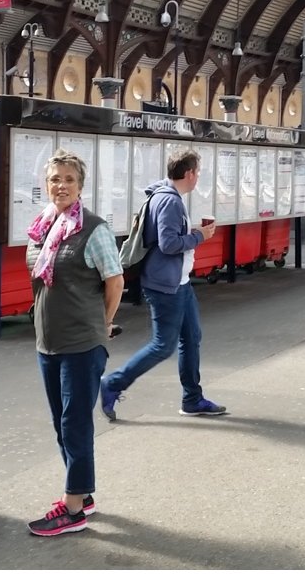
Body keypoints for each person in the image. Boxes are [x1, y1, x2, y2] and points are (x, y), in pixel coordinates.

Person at [25, 150, 123, 537]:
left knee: (75, 422)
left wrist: (103, 324)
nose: (60, 185)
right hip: (48, 341)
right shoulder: (44, 226)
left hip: (82, 342)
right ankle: (83, 494)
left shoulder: (93, 229)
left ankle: (72, 509)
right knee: (60, 421)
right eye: (54, 179)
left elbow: (114, 281)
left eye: (68, 179)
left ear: (80, 186)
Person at [102, 150, 226, 420]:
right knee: (163, 345)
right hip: (165, 286)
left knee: (191, 338)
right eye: (198, 173)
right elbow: (169, 244)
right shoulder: (169, 202)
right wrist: (198, 235)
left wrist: (193, 234)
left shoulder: (165, 196)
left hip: (178, 283)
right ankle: (113, 383)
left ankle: (192, 399)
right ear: (190, 173)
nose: (198, 178)